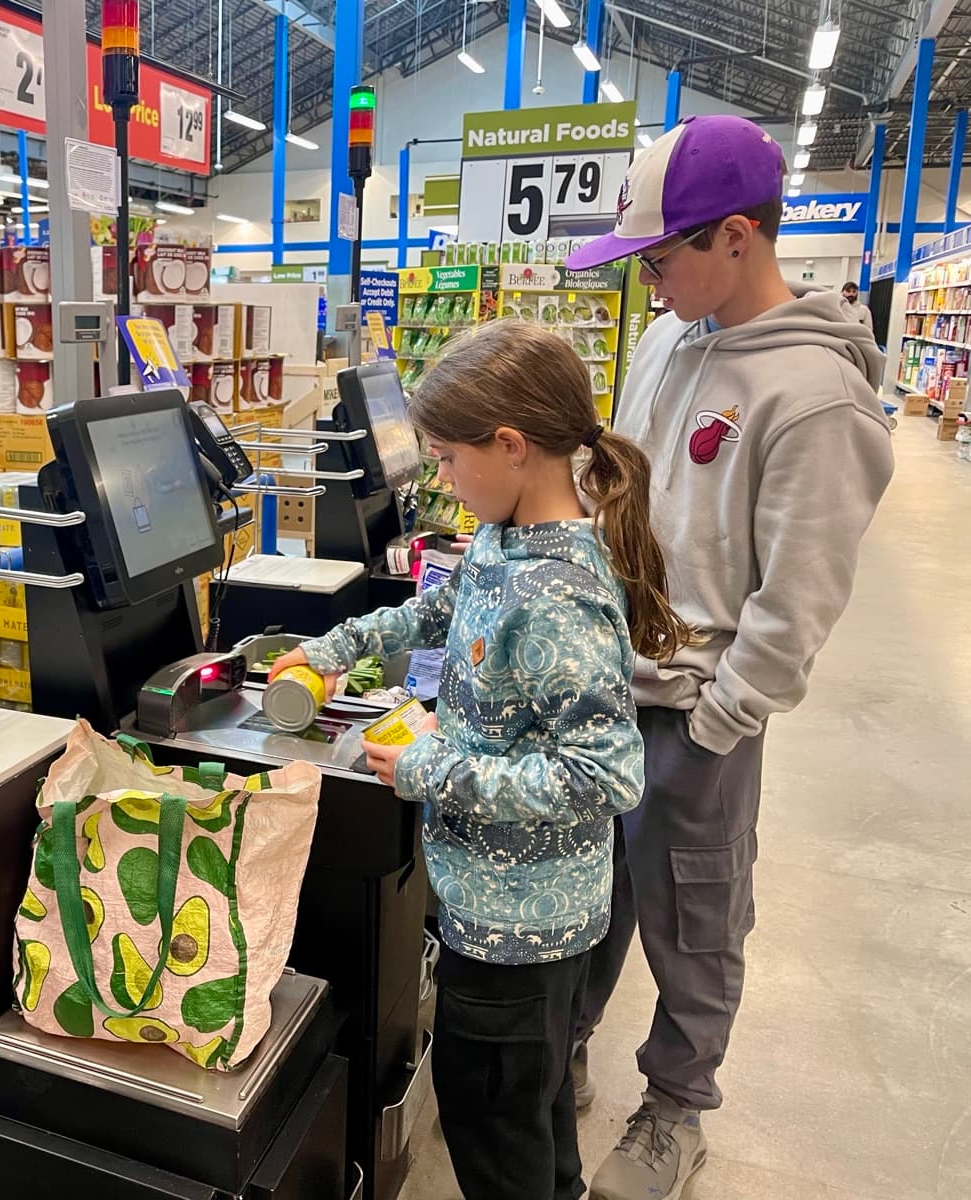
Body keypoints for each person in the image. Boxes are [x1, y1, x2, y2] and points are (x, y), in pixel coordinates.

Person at [270, 320, 690, 1200]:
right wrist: (334, 648)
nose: (443, 480)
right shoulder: (509, 539)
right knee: (530, 1121)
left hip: (520, 933)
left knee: (492, 1130)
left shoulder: (560, 594)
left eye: (449, 460)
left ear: (509, 447)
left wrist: (434, 771)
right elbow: (442, 607)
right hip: (497, 905)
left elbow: (606, 773)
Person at [562, 115, 895, 1200]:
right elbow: (621, 478)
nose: (648, 282)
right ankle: (568, 1046)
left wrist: (719, 719)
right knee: (593, 889)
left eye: (660, 259)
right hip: (610, 680)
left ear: (736, 239)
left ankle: (673, 1107)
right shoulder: (669, 337)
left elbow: (799, 598)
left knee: (693, 912)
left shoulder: (815, 398)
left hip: (696, 706)